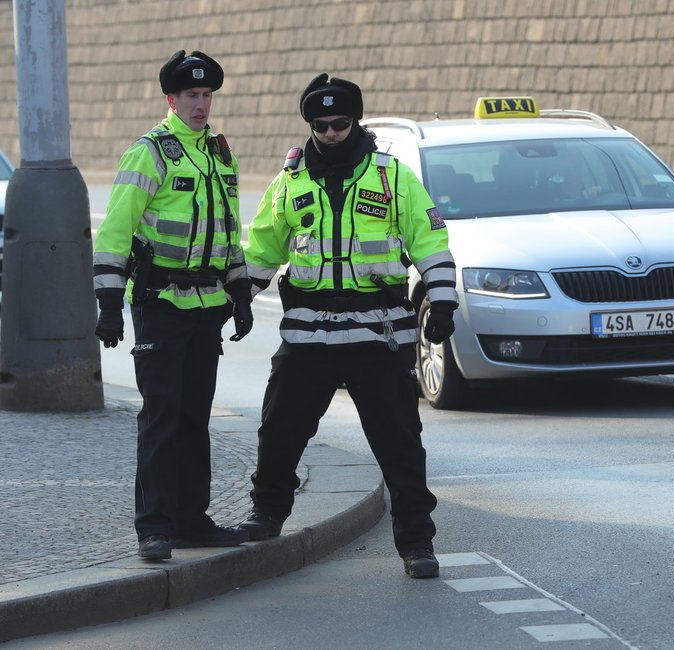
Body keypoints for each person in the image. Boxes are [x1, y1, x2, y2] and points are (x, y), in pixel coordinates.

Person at [239, 73, 458, 579]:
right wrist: (238, 301)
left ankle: (416, 543)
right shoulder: (290, 182)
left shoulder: (392, 177)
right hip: (308, 337)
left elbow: (428, 240)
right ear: (310, 125)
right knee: (279, 429)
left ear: (355, 121)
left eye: (340, 123)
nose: (332, 132)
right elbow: (262, 251)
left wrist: (442, 303)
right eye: (322, 125)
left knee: (399, 441)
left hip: (378, 336)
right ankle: (267, 515)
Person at [92, 50, 253, 561]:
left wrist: (241, 291)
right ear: (171, 99)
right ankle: (155, 527)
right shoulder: (150, 153)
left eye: (207, 96)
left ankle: (191, 519)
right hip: (160, 302)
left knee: (193, 416)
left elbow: (228, 231)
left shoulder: (220, 154)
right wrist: (109, 301)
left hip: (208, 304)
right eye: (191, 96)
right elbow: (116, 230)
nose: (201, 104)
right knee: (161, 417)